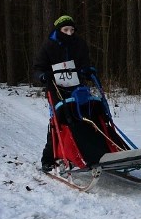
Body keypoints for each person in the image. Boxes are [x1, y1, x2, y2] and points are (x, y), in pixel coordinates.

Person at [32, 15, 95, 171]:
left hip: (77, 87)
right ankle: (49, 158)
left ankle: (88, 152)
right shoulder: (48, 45)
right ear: (58, 30)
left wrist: (87, 70)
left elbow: (85, 63)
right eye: (65, 29)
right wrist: (42, 76)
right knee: (58, 120)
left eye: (72, 30)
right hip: (55, 87)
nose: (69, 33)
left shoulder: (79, 44)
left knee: (85, 117)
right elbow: (38, 68)